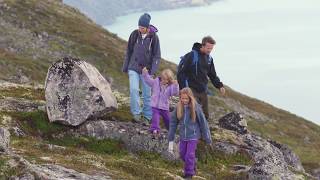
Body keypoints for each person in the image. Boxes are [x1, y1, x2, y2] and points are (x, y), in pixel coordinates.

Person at [122, 13, 161, 123]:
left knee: (146, 94)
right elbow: (129, 51)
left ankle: (147, 116)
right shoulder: (134, 34)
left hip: (146, 71)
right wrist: (126, 67)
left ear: (147, 27)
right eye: (139, 27)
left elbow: (157, 56)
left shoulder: (154, 38)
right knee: (134, 90)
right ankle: (136, 113)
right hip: (133, 68)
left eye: (142, 27)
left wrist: (151, 71)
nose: (140, 29)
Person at [177, 36, 225, 119]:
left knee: (205, 116)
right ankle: (190, 131)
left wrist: (219, 86)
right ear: (202, 45)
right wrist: (183, 89)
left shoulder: (209, 59)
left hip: (203, 90)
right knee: (194, 113)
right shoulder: (192, 55)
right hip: (191, 89)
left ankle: (203, 131)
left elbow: (212, 75)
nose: (209, 50)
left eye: (211, 48)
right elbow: (181, 73)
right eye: (208, 48)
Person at [168, 88, 212, 179]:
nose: (184, 100)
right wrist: (170, 139)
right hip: (183, 136)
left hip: (193, 136)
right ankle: (193, 164)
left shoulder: (196, 107)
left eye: (186, 99)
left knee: (189, 155)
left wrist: (207, 138)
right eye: (182, 98)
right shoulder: (178, 107)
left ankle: (189, 174)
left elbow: (203, 123)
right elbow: (173, 123)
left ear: (190, 98)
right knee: (183, 154)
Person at [142, 67, 179, 136]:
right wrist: (145, 74)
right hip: (155, 106)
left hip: (164, 107)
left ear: (169, 80)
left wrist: (176, 85)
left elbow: (175, 93)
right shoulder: (156, 82)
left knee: (168, 120)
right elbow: (148, 81)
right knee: (155, 118)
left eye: (165, 79)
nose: (163, 80)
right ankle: (155, 129)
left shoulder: (171, 87)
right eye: (162, 78)